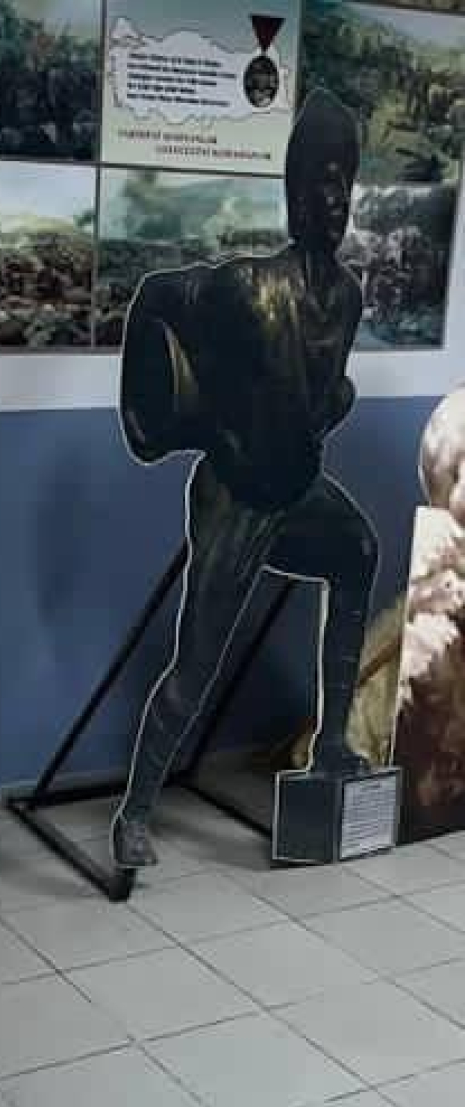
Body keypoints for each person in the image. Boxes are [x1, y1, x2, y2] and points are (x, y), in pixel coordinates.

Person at [111, 90, 380, 869]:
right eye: (320, 182)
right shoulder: (242, 287)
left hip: (295, 488)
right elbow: (154, 299)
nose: (334, 199)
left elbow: (316, 395)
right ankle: (134, 813)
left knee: (359, 552)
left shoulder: (348, 298)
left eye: (344, 182)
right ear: (294, 194)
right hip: (234, 495)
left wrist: (329, 406)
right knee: (195, 669)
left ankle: (332, 743)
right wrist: (160, 424)